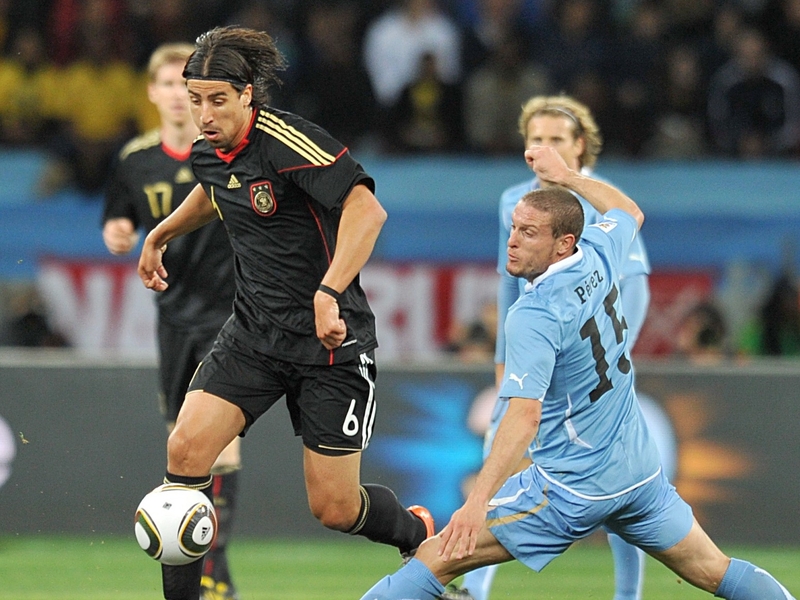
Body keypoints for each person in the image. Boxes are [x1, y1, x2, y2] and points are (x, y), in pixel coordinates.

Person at [359, 145, 797, 600]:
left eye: (529, 233)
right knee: (715, 571)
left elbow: (523, 416)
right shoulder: (598, 253)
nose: (512, 241)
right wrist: (567, 175)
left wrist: (475, 503)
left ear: (562, 242)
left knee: (436, 556)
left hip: (570, 487)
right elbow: (628, 210)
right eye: (514, 228)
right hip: (637, 473)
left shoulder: (535, 314)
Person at [135, 26, 434, 600]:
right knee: (185, 449)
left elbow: (367, 212)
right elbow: (214, 187)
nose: (203, 112)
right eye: (195, 98)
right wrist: (163, 232)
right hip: (253, 334)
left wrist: (329, 290)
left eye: (217, 99)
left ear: (249, 95)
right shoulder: (210, 148)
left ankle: (417, 529)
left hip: (330, 345)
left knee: (336, 508)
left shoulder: (287, 140)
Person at [446, 94, 654, 600]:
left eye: (557, 139)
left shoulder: (597, 201)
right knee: (500, 466)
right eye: (536, 138)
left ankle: (627, 595)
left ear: (580, 148)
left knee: (626, 490)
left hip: (592, 374)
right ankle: (474, 589)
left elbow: (637, 285)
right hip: (533, 360)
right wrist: (502, 362)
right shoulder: (513, 201)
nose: (545, 147)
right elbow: (508, 282)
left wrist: (615, 350)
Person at [101, 43, 242, 600]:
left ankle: (214, 570)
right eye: (168, 85)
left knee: (221, 444)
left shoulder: (229, 151)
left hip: (232, 312)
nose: (179, 99)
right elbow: (118, 216)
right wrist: (115, 231)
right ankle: (201, 567)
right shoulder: (136, 160)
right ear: (153, 93)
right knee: (181, 446)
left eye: (190, 89)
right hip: (172, 315)